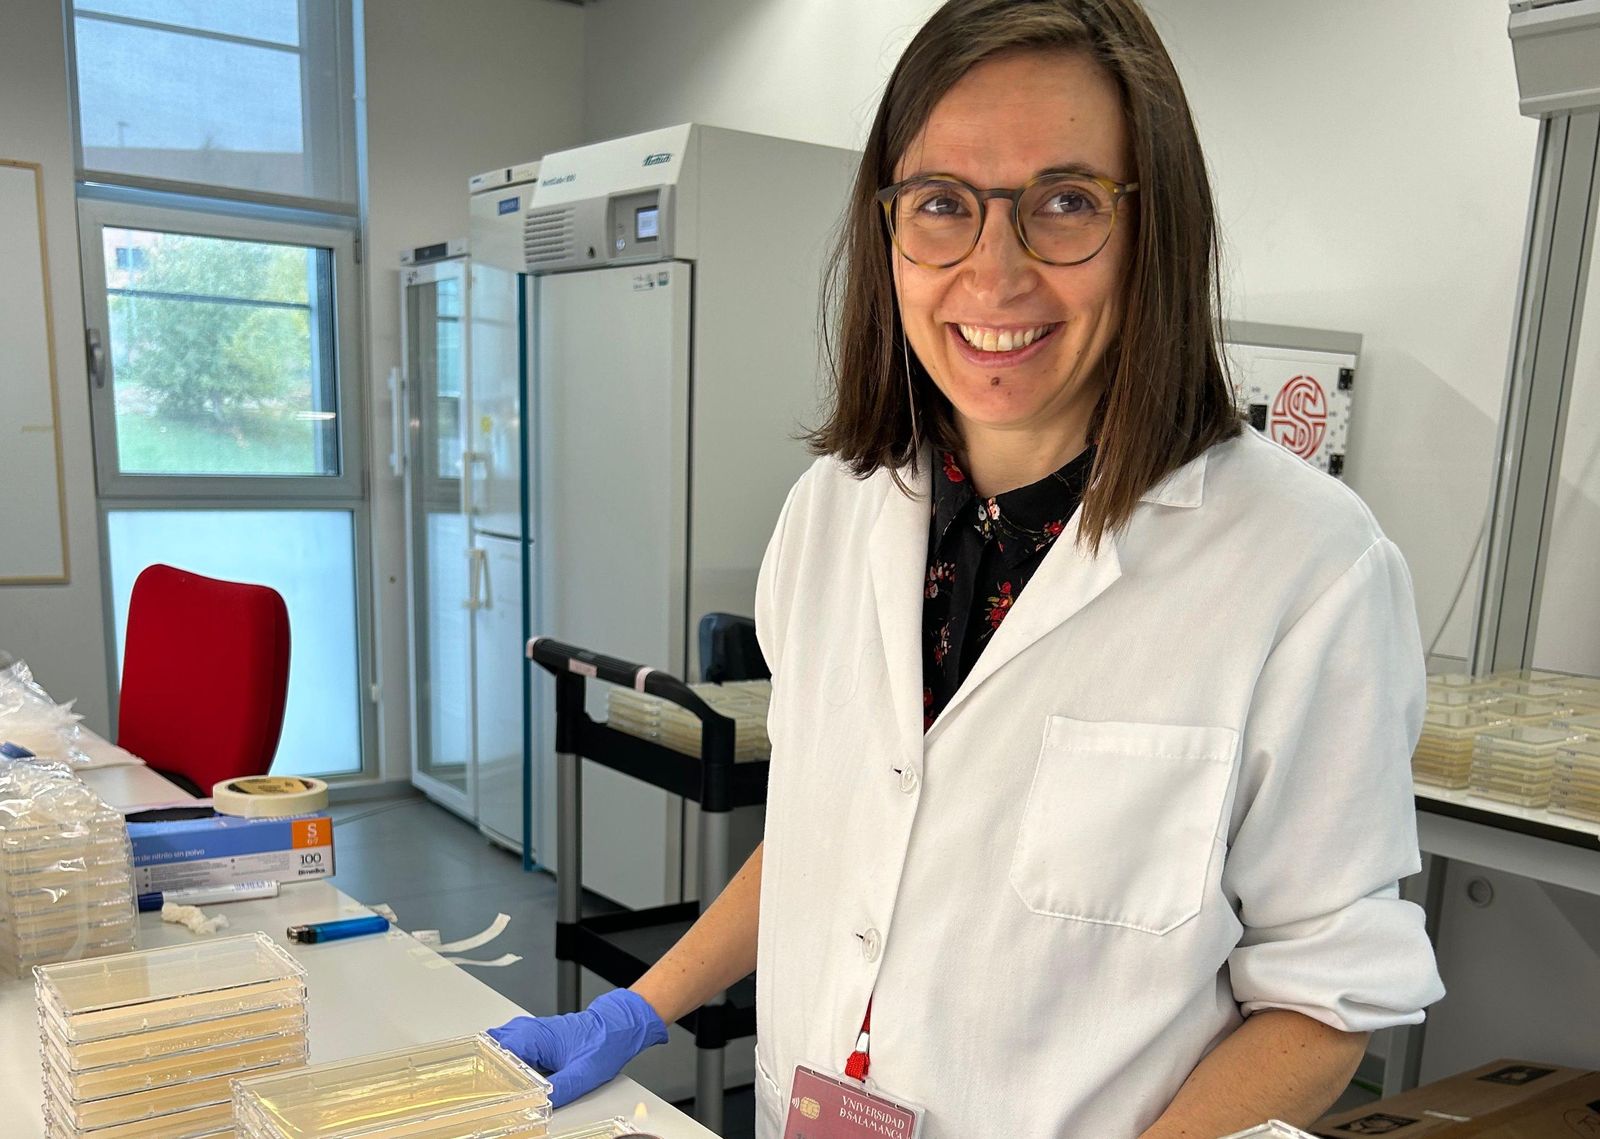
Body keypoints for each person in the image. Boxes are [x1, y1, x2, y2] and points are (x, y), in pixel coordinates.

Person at [489, 1, 1445, 1134]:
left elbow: (1325, 999)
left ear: (1158, 231)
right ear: (888, 227)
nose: (994, 275)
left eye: (1066, 202)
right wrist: (642, 1008)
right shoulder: (830, 514)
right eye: (942, 204)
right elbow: (822, 833)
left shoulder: (1305, 568)